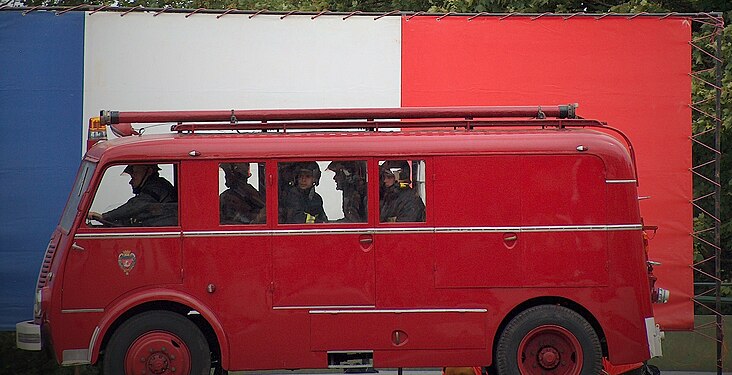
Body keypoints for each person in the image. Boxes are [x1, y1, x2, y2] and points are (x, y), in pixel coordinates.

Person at [87, 164, 177, 226]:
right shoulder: (155, 185)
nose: (130, 181)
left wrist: (105, 216)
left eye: (134, 173)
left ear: (149, 171)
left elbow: (136, 205)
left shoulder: (156, 187)